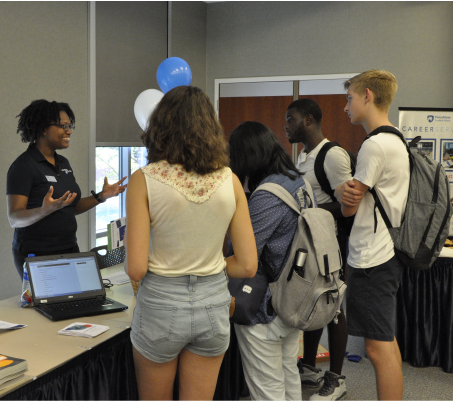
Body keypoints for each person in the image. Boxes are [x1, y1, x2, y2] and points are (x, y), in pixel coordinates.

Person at [126, 86, 257, 401]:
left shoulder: (144, 179)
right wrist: (206, 265)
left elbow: (136, 267)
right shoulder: (230, 180)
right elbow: (248, 265)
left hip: (160, 303)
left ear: (160, 127)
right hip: (213, 303)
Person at [334, 70, 409, 401]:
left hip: (373, 257)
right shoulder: (396, 138)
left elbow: (349, 206)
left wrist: (341, 191)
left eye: (349, 98)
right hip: (386, 253)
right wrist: (347, 191)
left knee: (378, 349)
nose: (346, 107)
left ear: (367, 95)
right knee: (385, 342)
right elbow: (355, 195)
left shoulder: (374, 146)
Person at [228, 121, 316, 401]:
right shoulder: (298, 181)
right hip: (295, 297)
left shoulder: (267, 195)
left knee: (267, 389)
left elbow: (243, 254)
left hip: (265, 307)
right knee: (289, 374)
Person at [7, 99, 127, 280]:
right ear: (43, 128)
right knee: (47, 306)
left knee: (74, 302)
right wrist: (44, 210)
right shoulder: (23, 166)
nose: (69, 131)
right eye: (63, 126)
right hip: (37, 254)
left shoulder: (63, 163)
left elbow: (71, 206)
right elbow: (15, 218)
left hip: (69, 249)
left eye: (70, 126)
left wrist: (101, 197)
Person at [285, 98, 350, 401]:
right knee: (311, 299)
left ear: (308, 121)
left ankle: (336, 378)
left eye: (291, 119)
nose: (286, 124)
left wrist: (309, 211)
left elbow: (350, 205)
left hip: (330, 245)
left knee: (333, 307)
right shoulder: (303, 157)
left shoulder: (332, 155)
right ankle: (309, 366)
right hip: (310, 244)